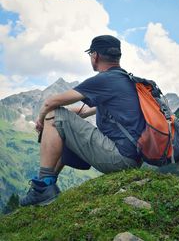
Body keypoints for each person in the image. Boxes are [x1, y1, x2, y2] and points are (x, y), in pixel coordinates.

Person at [20, 35, 145, 207]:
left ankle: (43, 188)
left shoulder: (105, 79)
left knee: (54, 114)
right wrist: (55, 119)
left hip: (119, 158)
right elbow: (85, 111)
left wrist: (43, 118)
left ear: (95, 56)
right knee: (58, 120)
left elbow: (50, 103)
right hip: (133, 159)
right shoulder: (125, 80)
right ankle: (46, 186)